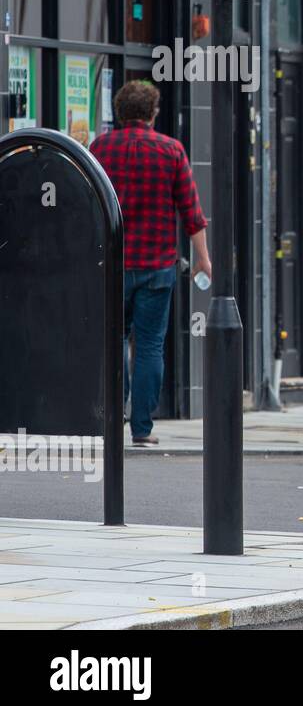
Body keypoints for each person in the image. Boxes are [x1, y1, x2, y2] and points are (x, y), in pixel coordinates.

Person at [90, 82, 211, 446]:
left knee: (113, 341)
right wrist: (203, 258)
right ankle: (141, 428)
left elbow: (87, 203)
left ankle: (114, 416)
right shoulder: (171, 151)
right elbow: (191, 212)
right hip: (157, 265)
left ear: (120, 111)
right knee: (149, 346)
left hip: (112, 265)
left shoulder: (99, 148)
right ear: (153, 113)